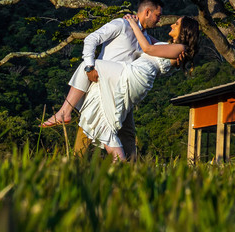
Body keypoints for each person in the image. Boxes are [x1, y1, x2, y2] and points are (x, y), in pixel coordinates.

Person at [41, 0, 164, 146]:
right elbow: (91, 39)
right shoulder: (122, 24)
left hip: (124, 89)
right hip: (102, 83)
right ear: (147, 12)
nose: (159, 20)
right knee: (88, 128)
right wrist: (90, 66)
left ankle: (129, 168)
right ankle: (74, 164)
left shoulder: (145, 38)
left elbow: (163, 48)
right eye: (157, 16)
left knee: (128, 135)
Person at [78, 14, 199, 161]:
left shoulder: (180, 48)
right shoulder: (171, 47)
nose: (172, 25)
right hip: (139, 76)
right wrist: (139, 25)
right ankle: (121, 161)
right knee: (107, 115)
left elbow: (147, 48)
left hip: (136, 75)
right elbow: (148, 40)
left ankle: (65, 110)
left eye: (177, 24)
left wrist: (132, 22)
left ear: (184, 30)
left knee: (92, 65)